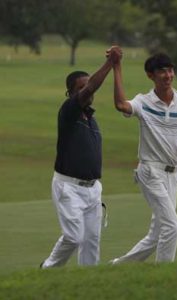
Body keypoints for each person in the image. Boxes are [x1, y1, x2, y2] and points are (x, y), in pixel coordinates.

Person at [110, 52, 177, 263]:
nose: (168, 75)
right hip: (150, 170)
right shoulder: (143, 101)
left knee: (158, 233)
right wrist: (116, 66)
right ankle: (165, 275)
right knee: (172, 225)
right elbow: (121, 105)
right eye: (162, 71)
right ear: (151, 75)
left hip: (174, 173)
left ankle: (118, 266)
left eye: (170, 70)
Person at [41, 46, 122, 268]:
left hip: (93, 189)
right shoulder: (68, 111)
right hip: (69, 187)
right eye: (81, 87)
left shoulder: (90, 118)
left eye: (89, 86)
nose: (88, 90)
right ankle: (48, 268)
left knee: (91, 242)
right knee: (74, 237)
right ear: (71, 93)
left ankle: (88, 281)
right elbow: (91, 87)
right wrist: (110, 64)